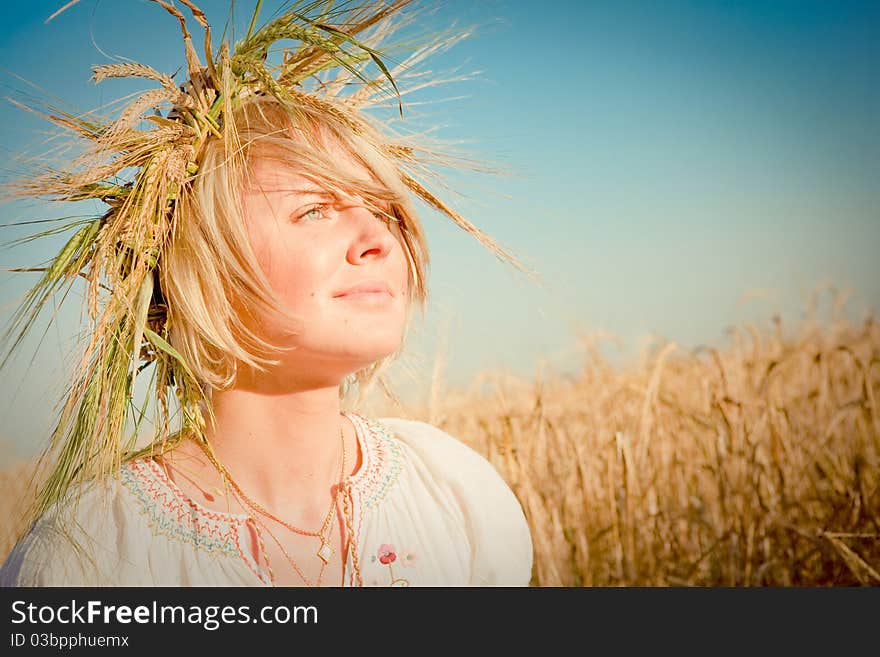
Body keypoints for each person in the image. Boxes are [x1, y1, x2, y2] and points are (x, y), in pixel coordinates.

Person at [0, 0, 533, 587]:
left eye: (384, 210)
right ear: (203, 264)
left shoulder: (455, 494)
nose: (379, 237)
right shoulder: (93, 557)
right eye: (314, 210)